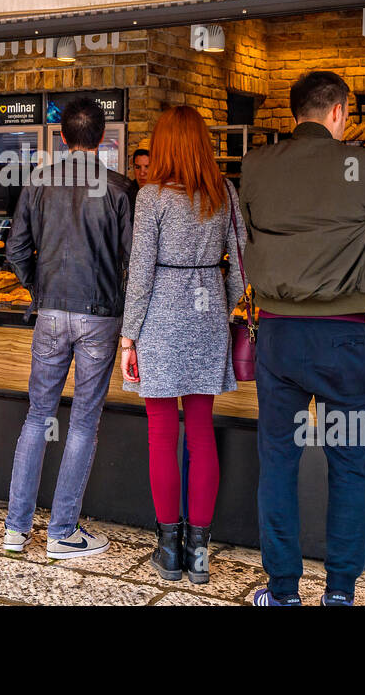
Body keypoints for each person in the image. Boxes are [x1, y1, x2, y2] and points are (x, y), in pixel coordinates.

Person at [239, 71, 365, 606]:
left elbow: (248, 231)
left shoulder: (256, 164)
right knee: (348, 466)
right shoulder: (362, 165)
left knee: (278, 462)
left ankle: (282, 592)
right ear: (338, 113)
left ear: (295, 113)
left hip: (279, 336)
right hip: (345, 340)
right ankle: (340, 594)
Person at [2, 97, 133, 559]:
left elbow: (16, 252)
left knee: (38, 415)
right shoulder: (120, 187)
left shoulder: (38, 182)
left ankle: (16, 530)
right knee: (82, 422)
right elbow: (132, 262)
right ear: (104, 138)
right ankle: (61, 532)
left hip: (51, 312)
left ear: (61, 137)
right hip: (100, 314)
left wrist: (41, 291)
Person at [120, 106, 246, 584]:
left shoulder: (151, 197)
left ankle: (169, 550)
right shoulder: (224, 192)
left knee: (160, 434)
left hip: (158, 319)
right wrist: (222, 304)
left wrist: (129, 336)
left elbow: (141, 274)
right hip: (206, 313)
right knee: (200, 430)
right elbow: (241, 261)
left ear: (165, 145)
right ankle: (199, 554)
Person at [127, 147, 151, 214]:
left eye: (147, 167)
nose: (142, 173)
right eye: (137, 167)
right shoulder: (126, 195)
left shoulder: (164, 196)